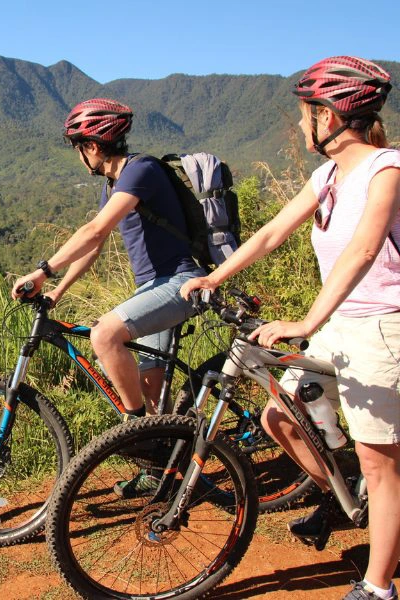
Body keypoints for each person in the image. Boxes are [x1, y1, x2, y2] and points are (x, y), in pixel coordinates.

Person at [180, 56, 400, 600]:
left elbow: (364, 251)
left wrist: (306, 321)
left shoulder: (386, 169)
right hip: (338, 328)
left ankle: (378, 586)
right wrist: (213, 277)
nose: (302, 124)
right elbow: (271, 234)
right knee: (280, 416)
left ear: (329, 117)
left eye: (307, 114)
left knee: (380, 463)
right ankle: (343, 496)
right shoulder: (325, 175)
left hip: (381, 329)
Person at [11, 98, 207, 494]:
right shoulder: (114, 185)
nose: (79, 155)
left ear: (93, 146)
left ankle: (138, 435)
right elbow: (93, 249)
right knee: (153, 389)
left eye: (78, 147)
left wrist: (42, 271)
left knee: (104, 335)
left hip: (181, 282)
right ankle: (161, 472)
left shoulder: (142, 170)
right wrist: (57, 291)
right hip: (152, 289)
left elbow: (95, 231)